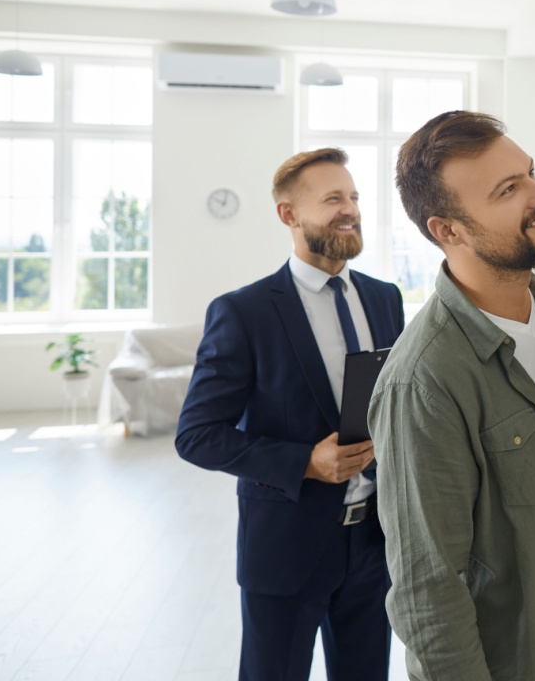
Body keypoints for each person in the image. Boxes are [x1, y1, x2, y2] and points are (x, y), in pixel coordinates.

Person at [369, 111, 535, 680]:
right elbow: (426, 592)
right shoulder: (423, 380)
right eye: (508, 190)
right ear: (448, 230)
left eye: (530, 173)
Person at [176, 148, 404, 681]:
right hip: (285, 546)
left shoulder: (385, 299)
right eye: (332, 200)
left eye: (353, 197)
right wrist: (306, 461)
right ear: (289, 215)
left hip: (375, 541)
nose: (350, 209)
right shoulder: (243, 312)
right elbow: (197, 436)